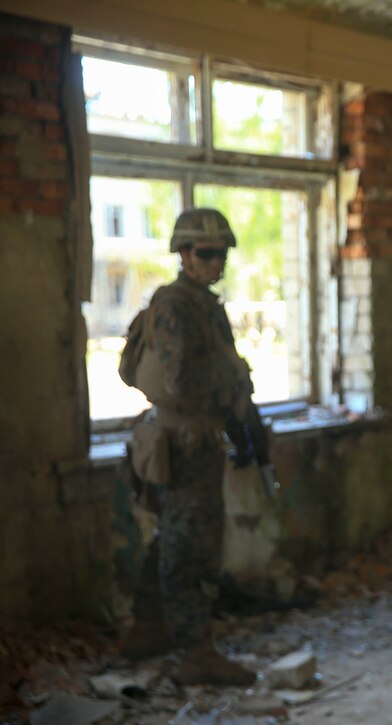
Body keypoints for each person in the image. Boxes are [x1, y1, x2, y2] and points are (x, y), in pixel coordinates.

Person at [119, 208, 257, 686]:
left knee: (174, 537)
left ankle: (147, 630)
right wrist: (235, 375)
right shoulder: (177, 304)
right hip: (183, 443)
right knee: (192, 546)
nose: (216, 262)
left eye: (222, 254)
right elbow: (181, 380)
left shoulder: (204, 303)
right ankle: (194, 652)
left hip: (193, 438)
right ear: (183, 254)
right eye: (206, 254)